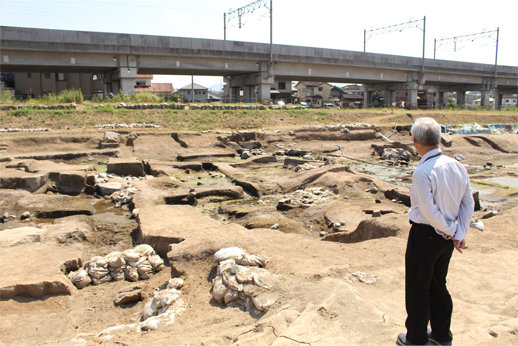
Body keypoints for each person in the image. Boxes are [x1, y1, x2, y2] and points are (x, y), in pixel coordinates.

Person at [397, 117, 474, 346]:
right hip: (445, 240)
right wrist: (459, 233)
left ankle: (417, 339)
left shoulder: (422, 172)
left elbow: (429, 213)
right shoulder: (457, 166)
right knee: (438, 286)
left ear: (415, 143)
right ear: (440, 140)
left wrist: (451, 231)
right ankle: (441, 334)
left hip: (425, 236)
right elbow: (468, 201)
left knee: (417, 288)